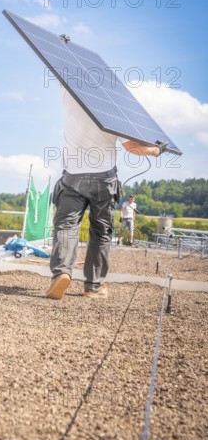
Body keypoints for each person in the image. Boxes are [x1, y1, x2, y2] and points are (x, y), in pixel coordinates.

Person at [46, 83, 162, 300]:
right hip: (104, 179)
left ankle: (61, 273)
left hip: (72, 177)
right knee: (100, 232)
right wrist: (155, 150)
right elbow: (132, 148)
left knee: (66, 226)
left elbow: (60, 70)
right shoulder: (113, 109)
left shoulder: (70, 95)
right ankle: (93, 287)